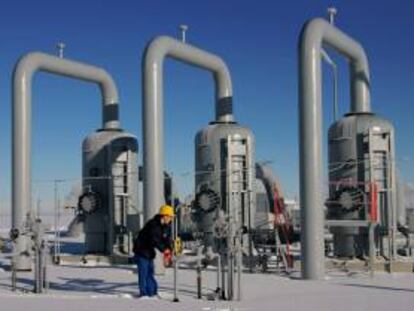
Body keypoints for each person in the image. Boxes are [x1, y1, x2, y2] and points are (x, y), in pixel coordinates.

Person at [133, 204, 174, 298]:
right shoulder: (153, 224)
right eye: (170, 217)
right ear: (164, 216)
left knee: (150, 272)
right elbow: (154, 239)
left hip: (149, 251)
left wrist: (169, 249)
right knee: (143, 274)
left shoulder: (166, 226)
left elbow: (166, 239)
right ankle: (143, 294)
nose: (171, 219)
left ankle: (152, 293)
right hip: (141, 250)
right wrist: (164, 250)